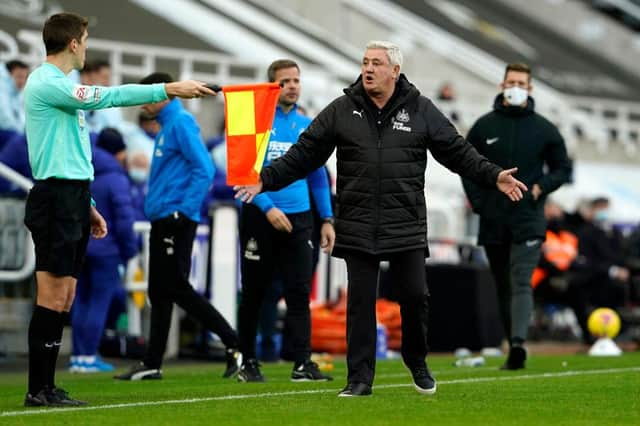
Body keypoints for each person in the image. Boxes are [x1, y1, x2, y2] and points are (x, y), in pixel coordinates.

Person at [234, 41, 527, 397]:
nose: (369, 68)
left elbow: (456, 150)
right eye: (365, 62)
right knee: (359, 304)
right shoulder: (342, 109)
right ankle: (359, 379)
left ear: (395, 71)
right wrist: (265, 178)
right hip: (357, 222)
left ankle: (416, 360)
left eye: (376, 63)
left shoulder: (420, 109)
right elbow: (304, 154)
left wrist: (493, 175)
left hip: (405, 222)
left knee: (416, 297)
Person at [22, 11, 216, 407]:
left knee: (67, 295)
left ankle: (47, 386)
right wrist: (168, 89)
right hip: (55, 197)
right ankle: (36, 389)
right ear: (74, 43)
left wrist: (89, 203)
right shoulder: (46, 82)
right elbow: (108, 96)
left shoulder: (61, 86)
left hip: (73, 196)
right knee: (52, 294)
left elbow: (69, 153)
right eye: (86, 39)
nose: (87, 47)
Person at [113, 72, 241, 382]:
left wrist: (183, 210)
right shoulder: (169, 125)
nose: (143, 101)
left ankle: (235, 343)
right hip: (164, 218)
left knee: (177, 289)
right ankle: (152, 363)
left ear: (162, 96)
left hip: (174, 219)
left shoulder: (180, 123)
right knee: (161, 291)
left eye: (148, 94)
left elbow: (205, 167)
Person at [461, 63, 572, 370]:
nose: (515, 87)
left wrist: (540, 188)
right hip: (493, 218)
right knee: (502, 284)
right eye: (511, 82)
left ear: (530, 88)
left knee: (521, 280)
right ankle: (514, 346)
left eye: (521, 83)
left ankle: (519, 343)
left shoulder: (545, 129)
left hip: (529, 218)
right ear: (502, 85)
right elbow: (466, 165)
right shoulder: (484, 127)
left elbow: (563, 168)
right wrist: (479, 202)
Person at [236, 59, 334, 382]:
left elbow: (318, 178)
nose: (292, 86)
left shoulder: (309, 125)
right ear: (271, 86)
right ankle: (247, 361)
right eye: (285, 81)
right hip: (260, 216)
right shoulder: (252, 120)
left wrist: (327, 219)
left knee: (298, 290)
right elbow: (243, 175)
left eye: (296, 80)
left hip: (300, 217)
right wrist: (267, 208)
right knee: (254, 291)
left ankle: (302, 362)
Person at [70, 128, 137, 373]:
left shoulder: (83, 170)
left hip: (81, 246)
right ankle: (88, 356)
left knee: (80, 301)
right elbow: (124, 219)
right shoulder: (116, 178)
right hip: (106, 251)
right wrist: (130, 252)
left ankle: (78, 356)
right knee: (99, 302)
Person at [0, 60, 29, 148]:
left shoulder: (17, 91)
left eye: (24, 77)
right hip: (4, 131)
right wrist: (21, 134)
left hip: (11, 132)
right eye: (19, 76)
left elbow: (22, 117)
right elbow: (4, 119)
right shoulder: (2, 88)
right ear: (9, 75)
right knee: (19, 142)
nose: (22, 81)